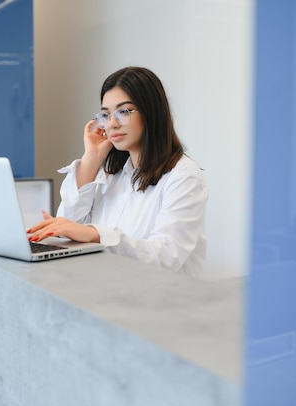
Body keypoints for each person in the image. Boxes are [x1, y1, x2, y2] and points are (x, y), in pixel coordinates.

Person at [27, 66, 208, 278]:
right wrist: (91, 159)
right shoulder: (113, 174)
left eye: (124, 111)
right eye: (105, 115)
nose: (112, 123)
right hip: (111, 290)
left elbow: (166, 257)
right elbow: (66, 230)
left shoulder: (183, 177)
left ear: (151, 112)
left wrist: (96, 234)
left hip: (163, 301)